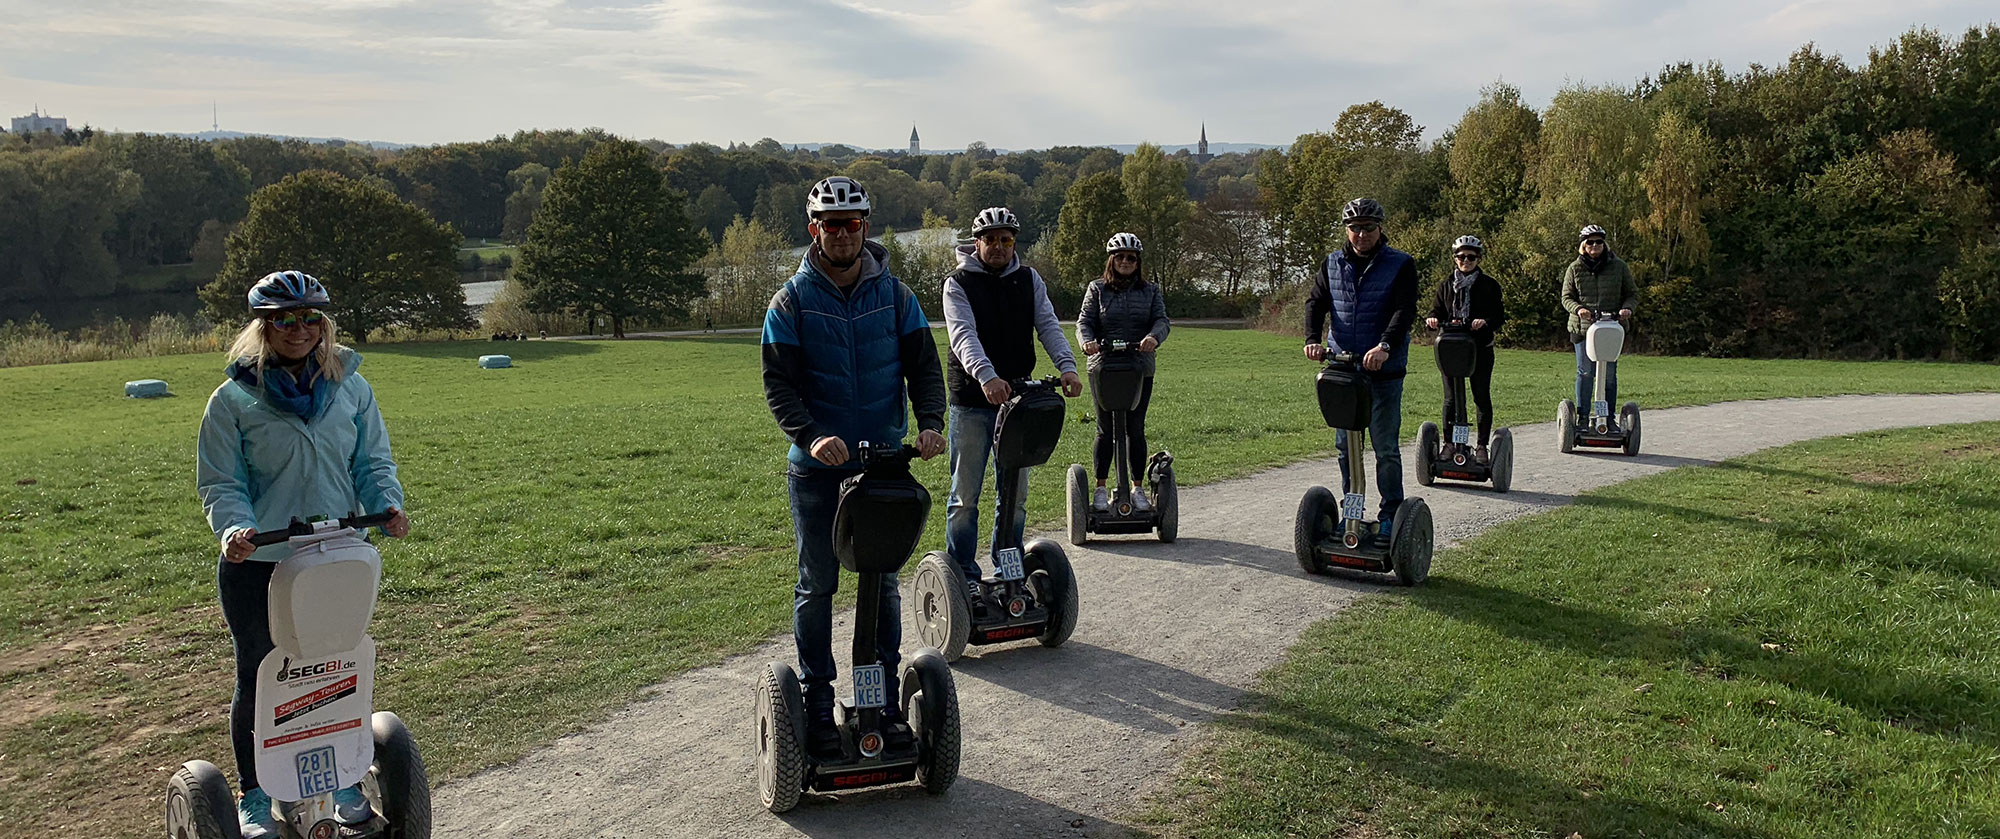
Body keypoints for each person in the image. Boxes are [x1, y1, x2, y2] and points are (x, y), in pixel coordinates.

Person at [195, 270, 412, 839]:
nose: (299, 330)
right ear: (263, 326)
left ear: (324, 324)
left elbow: (373, 464)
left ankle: (341, 778)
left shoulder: (351, 388)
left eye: (309, 318)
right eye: (284, 319)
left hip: (339, 557)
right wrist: (235, 528)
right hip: (261, 561)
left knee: (337, 664)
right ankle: (256, 794)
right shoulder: (234, 399)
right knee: (264, 673)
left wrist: (386, 505)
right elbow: (222, 481)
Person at [761, 176, 947, 757]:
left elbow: (924, 367)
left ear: (865, 227)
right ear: (814, 230)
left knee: (883, 584)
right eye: (831, 225)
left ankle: (880, 697)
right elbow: (779, 386)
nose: (842, 235)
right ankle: (818, 699)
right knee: (818, 585)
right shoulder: (790, 301)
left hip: (884, 464)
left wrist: (932, 422)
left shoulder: (896, 296)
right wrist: (813, 438)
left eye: (852, 224)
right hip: (817, 471)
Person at [942, 207, 1082, 600]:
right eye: (991, 240)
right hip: (973, 401)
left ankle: (1008, 567)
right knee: (964, 496)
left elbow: (1049, 325)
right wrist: (986, 376)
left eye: (1007, 240)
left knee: (1015, 495)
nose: (1000, 247)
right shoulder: (958, 283)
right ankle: (965, 575)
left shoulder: (1028, 279)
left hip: (1019, 401)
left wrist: (1067, 368)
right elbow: (962, 336)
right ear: (977, 242)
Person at [1301, 198, 1420, 541]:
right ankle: (1352, 512)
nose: (1361, 234)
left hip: (1384, 368)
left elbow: (1404, 310)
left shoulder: (1400, 264)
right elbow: (1316, 302)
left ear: (1380, 228)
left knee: (1384, 445)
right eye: (1354, 228)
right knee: (1346, 447)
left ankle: (1390, 513)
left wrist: (1384, 346)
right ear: (1347, 230)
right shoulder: (1333, 263)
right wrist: (1312, 339)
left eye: (1368, 228)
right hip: (1343, 366)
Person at [1075, 231, 1170, 510]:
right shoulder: (1097, 289)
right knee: (1105, 430)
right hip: (1103, 366)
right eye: (1120, 257)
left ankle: (1138, 488)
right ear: (1111, 260)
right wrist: (1087, 342)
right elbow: (1084, 322)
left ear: (1138, 262)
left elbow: (1161, 320)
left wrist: (1154, 337)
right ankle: (1101, 489)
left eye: (1131, 257)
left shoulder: (1150, 290)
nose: (1126, 262)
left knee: (1135, 428)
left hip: (1139, 366)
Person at [1424, 235, 1507, 463]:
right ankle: (1450, 444)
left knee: (1481, 396)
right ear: (1455, 258)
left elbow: (1499, 316)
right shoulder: (1446, 285)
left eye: (1471, 257)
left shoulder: (1489, 285)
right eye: (1461, 256)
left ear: (1478, 258)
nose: (1466, 261)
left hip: (1479, 348)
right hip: (1451, 350)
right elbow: (1437, 310)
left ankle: (1481, 446)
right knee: (1451, 399)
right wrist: (1432, 319)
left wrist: (1485, 322)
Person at [1559, 224, 1638, 411]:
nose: (1595, 245)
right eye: (1590, 242)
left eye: (1599, 242)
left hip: (1611, 328)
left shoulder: (1618, 266)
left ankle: (1609, 418)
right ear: (1583, 245)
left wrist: (1627, 309)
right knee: (1586, 373)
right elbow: (1566, 297)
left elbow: (1632, 294)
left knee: (1609, 375)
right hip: (1583, 329)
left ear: (1604, 244)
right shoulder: (1575, 268)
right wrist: (1578, 309)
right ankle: (1584, 416)